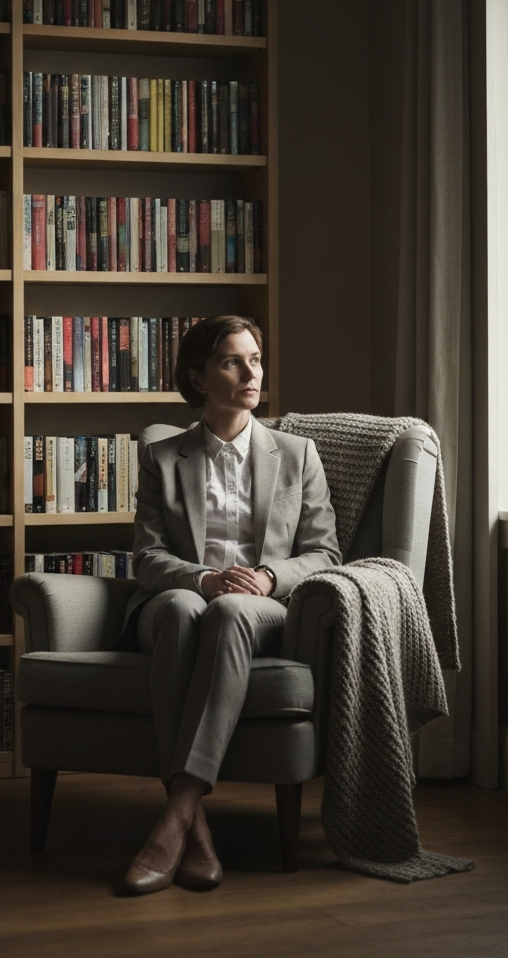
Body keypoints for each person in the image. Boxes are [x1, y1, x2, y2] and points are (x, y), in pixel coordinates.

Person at [120, 315, 341, 895]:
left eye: (255, 359)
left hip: (261, 608)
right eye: (231, 362)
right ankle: (196, 834)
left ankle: (176, 817)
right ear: (197, 377)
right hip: (186, 600)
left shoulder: (297, 455)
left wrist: (268, 577)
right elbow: (147, 558)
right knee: (178, 608)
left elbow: (325, 554)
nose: (251, 373)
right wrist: (203, 578)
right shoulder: (163, 456)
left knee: (231, 611)